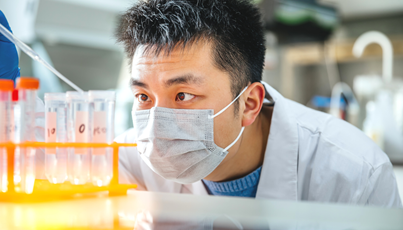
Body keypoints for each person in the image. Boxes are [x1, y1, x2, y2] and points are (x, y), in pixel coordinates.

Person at [1, 1, 401, 208]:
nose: (156, 121)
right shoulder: (126, 162)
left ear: (249, 103)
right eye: (143, 96)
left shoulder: (353, 174)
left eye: (183, 95)